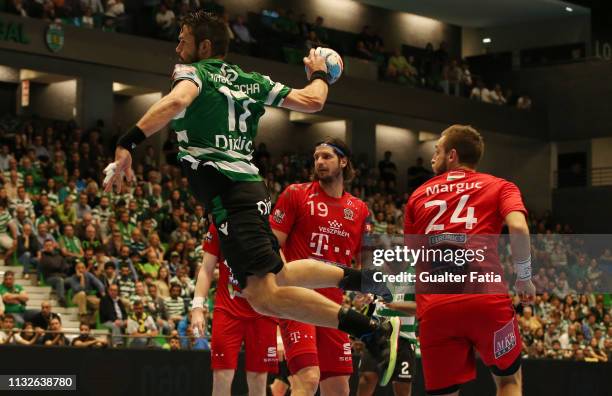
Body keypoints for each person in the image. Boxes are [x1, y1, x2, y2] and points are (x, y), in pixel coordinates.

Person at [104, 10, 398, 377]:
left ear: (205, 46)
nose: (177, 45)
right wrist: (320, 73)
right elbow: (313, 102)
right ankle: (361, 281)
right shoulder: (252, 80)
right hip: (248, 190)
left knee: (262, 296)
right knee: (279, 273)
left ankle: (367, 328)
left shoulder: (193, 73)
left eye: (183, 39)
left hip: (228, 194)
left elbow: (177, 102)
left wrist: (127, 141)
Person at [403, 125, 536, 395]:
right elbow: (519, 228)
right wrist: (524, 277)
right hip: (485, 299)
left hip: (435, 307)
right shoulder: (501, 186)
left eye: (437, 150)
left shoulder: (417, 196)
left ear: (452, 155)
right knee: (509, 380)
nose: (432, 157)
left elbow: (412, 255)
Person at [268, 138, 368, 394]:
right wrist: (283, 280)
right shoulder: (296, 194)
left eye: (327, 157)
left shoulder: (359, 209)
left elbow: (364, 262)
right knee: (308, 378)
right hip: (296, 300)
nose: (319, 162)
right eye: (316, 157)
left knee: (339, 388)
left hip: (332, 307)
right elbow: (272, 243)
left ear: (343, 162)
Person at [193, 223, 278, 396]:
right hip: (228, 310)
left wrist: (281, 328)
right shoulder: (219, 224)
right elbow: (206, 269)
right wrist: (197, 307)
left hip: (263, 312)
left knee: (259, 379)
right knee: (222, 377)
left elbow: (281, 272)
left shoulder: (269, 222)